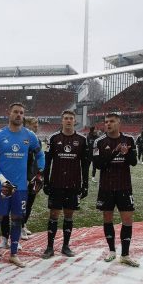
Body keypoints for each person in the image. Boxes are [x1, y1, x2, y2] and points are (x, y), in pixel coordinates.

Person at [0, 102, 45, 269]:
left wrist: (40, 172)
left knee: (17, 221)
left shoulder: (29, 136)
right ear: (8, 113)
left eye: (21, 113)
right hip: (1, 187)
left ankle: (13, 255)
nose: (19, 115)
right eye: (16, 112)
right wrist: (3, 179)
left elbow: (40, 155)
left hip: (21, 189)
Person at [92, 112, 139, 267]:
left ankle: (125, 254)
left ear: (119, 123)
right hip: (106, 187)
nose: (108, 124)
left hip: (124, 186)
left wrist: (126, 154)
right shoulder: (99, 142)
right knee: (107, 218)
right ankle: (112, 251)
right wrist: (114, 152)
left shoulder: (129, 139)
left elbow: (133, 162)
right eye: (106, 122)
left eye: (112, 121)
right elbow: (98, 165)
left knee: (127, 219)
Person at [41, 110, 89, 258]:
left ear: (74, 121)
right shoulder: (53, 138)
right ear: (62, 121)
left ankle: (66, 246)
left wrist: (85, 184)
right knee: (54, 214)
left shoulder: (82, 139)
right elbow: (47, 162)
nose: (68, 121)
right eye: (66, 118)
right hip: (56, 183)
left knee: (69, 214)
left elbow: (85, 164)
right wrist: (46, 181)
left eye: (71, 118)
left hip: (73, 184)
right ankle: (49, 247)